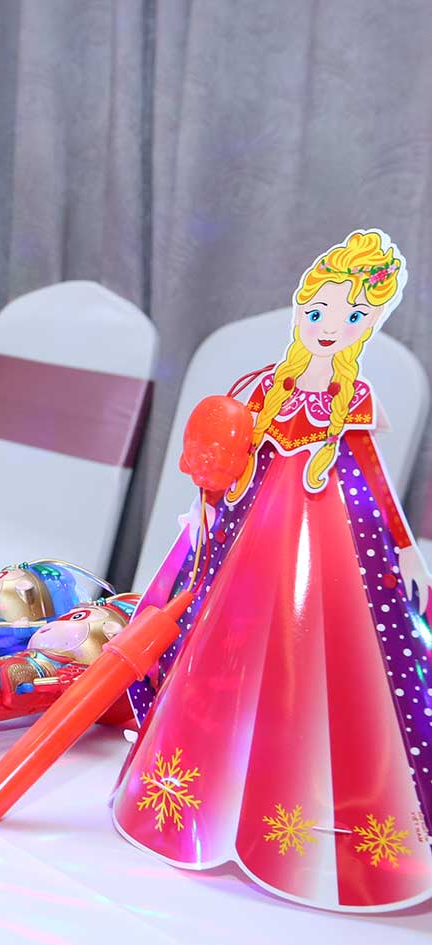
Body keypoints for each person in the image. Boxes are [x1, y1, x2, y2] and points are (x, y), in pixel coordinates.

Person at [113, 229, 432, 911]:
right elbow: (222, 461)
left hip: (330, 546)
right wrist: (203, 510)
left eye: (350, 314)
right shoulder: (261, 387)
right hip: (248, 541)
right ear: (300, 309)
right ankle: (199, 794)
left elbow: (371, 472)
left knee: (329, 662)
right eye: (317, 310)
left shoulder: (355, 397)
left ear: (369, 323)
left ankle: (313, 813)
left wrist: (404, 545)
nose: (328, 325)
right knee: (223, 648)